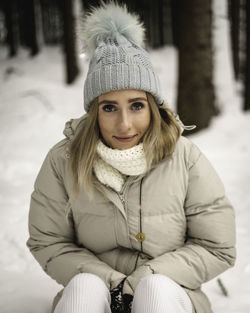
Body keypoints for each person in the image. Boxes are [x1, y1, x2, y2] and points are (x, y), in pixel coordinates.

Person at [26, 2, 236, 313]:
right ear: (94, 110)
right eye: (109, 107)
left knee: (154, 291)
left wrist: (146, 278)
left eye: (136, 105)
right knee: (85, 287)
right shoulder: (63, 161)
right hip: (94, 292)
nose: (124, 124)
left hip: (169, 294)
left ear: (153, 106)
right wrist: (108, 281)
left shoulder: (184, 158)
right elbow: (49, 242)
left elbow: (217, 247)